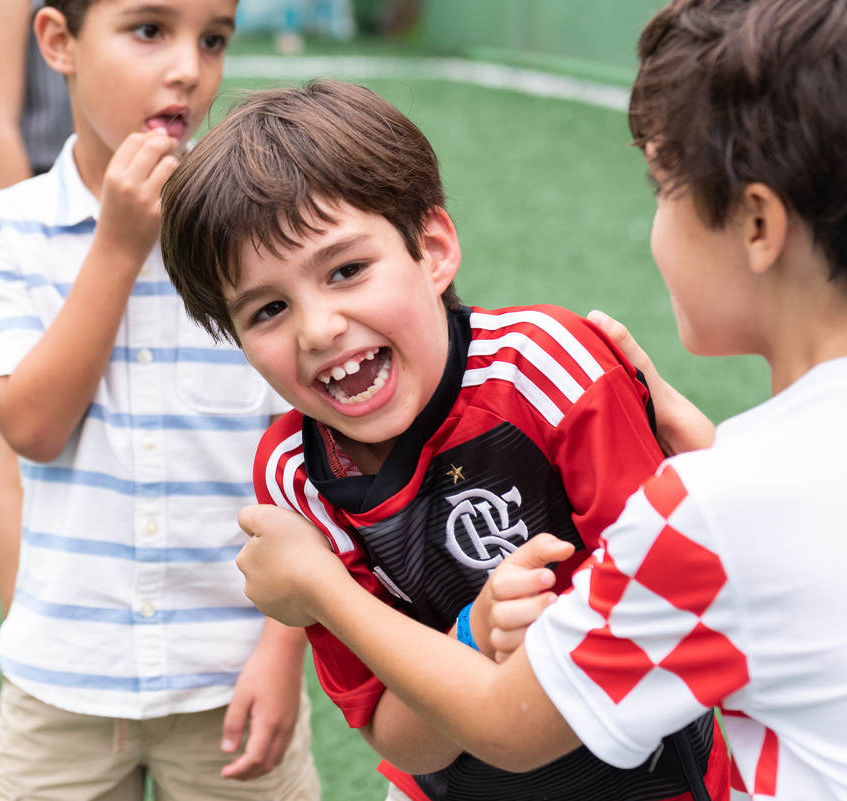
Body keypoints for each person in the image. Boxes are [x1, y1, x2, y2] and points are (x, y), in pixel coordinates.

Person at [233, 0, 847, 798]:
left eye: (662, 187)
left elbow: (506, 726)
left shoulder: (716, 509)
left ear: (756, 222)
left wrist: (319, 588)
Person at [159, 80, 730, 801]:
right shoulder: (293, 475)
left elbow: (665, 634)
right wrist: (472, 635)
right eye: (268, 308)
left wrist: (331, 593)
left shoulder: (547, 369)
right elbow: (395, 733)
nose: (318, 327)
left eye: (346, 270)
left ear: (432, 249)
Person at [0, 0, 320, 797]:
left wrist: (282, 647)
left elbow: (306, 461)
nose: (190, 67)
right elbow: (34, 428)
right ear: (59, 43)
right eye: (150, 30)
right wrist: (119, 243)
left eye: (214, 39)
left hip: (231, 681)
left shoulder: (255, 238)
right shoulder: (3, 230)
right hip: (61, 686)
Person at [0, 0, 77, 615]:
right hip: (39, 208)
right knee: (21, 448)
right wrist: (33, 251)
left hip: (140, 204)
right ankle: (25, 639)